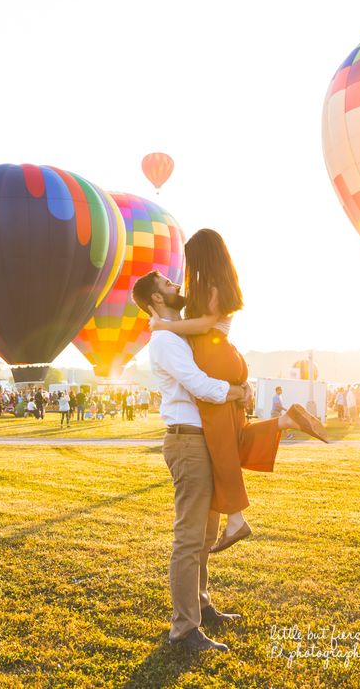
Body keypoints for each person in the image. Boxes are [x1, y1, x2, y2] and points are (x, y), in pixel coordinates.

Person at [140, 230, 328, 553]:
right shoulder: (220, 284)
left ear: (202, 257)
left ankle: (237, 518)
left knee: (218, 441)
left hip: (215, 356)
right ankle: (284, 422)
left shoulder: (209, 288)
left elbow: (202, 327)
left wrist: (165, 325)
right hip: (228, 355)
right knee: (235, 436)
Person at [133, 271, 250, 652]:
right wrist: (236, 391)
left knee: (203, 536)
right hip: (188, 440)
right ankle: (184, 629)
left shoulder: (181, 332)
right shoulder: (165, 340)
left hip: (206, 439)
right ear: (155, 299)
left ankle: (201, 606)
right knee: (188, 538)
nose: (176, 286)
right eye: (168, 284)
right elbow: (198, 384)